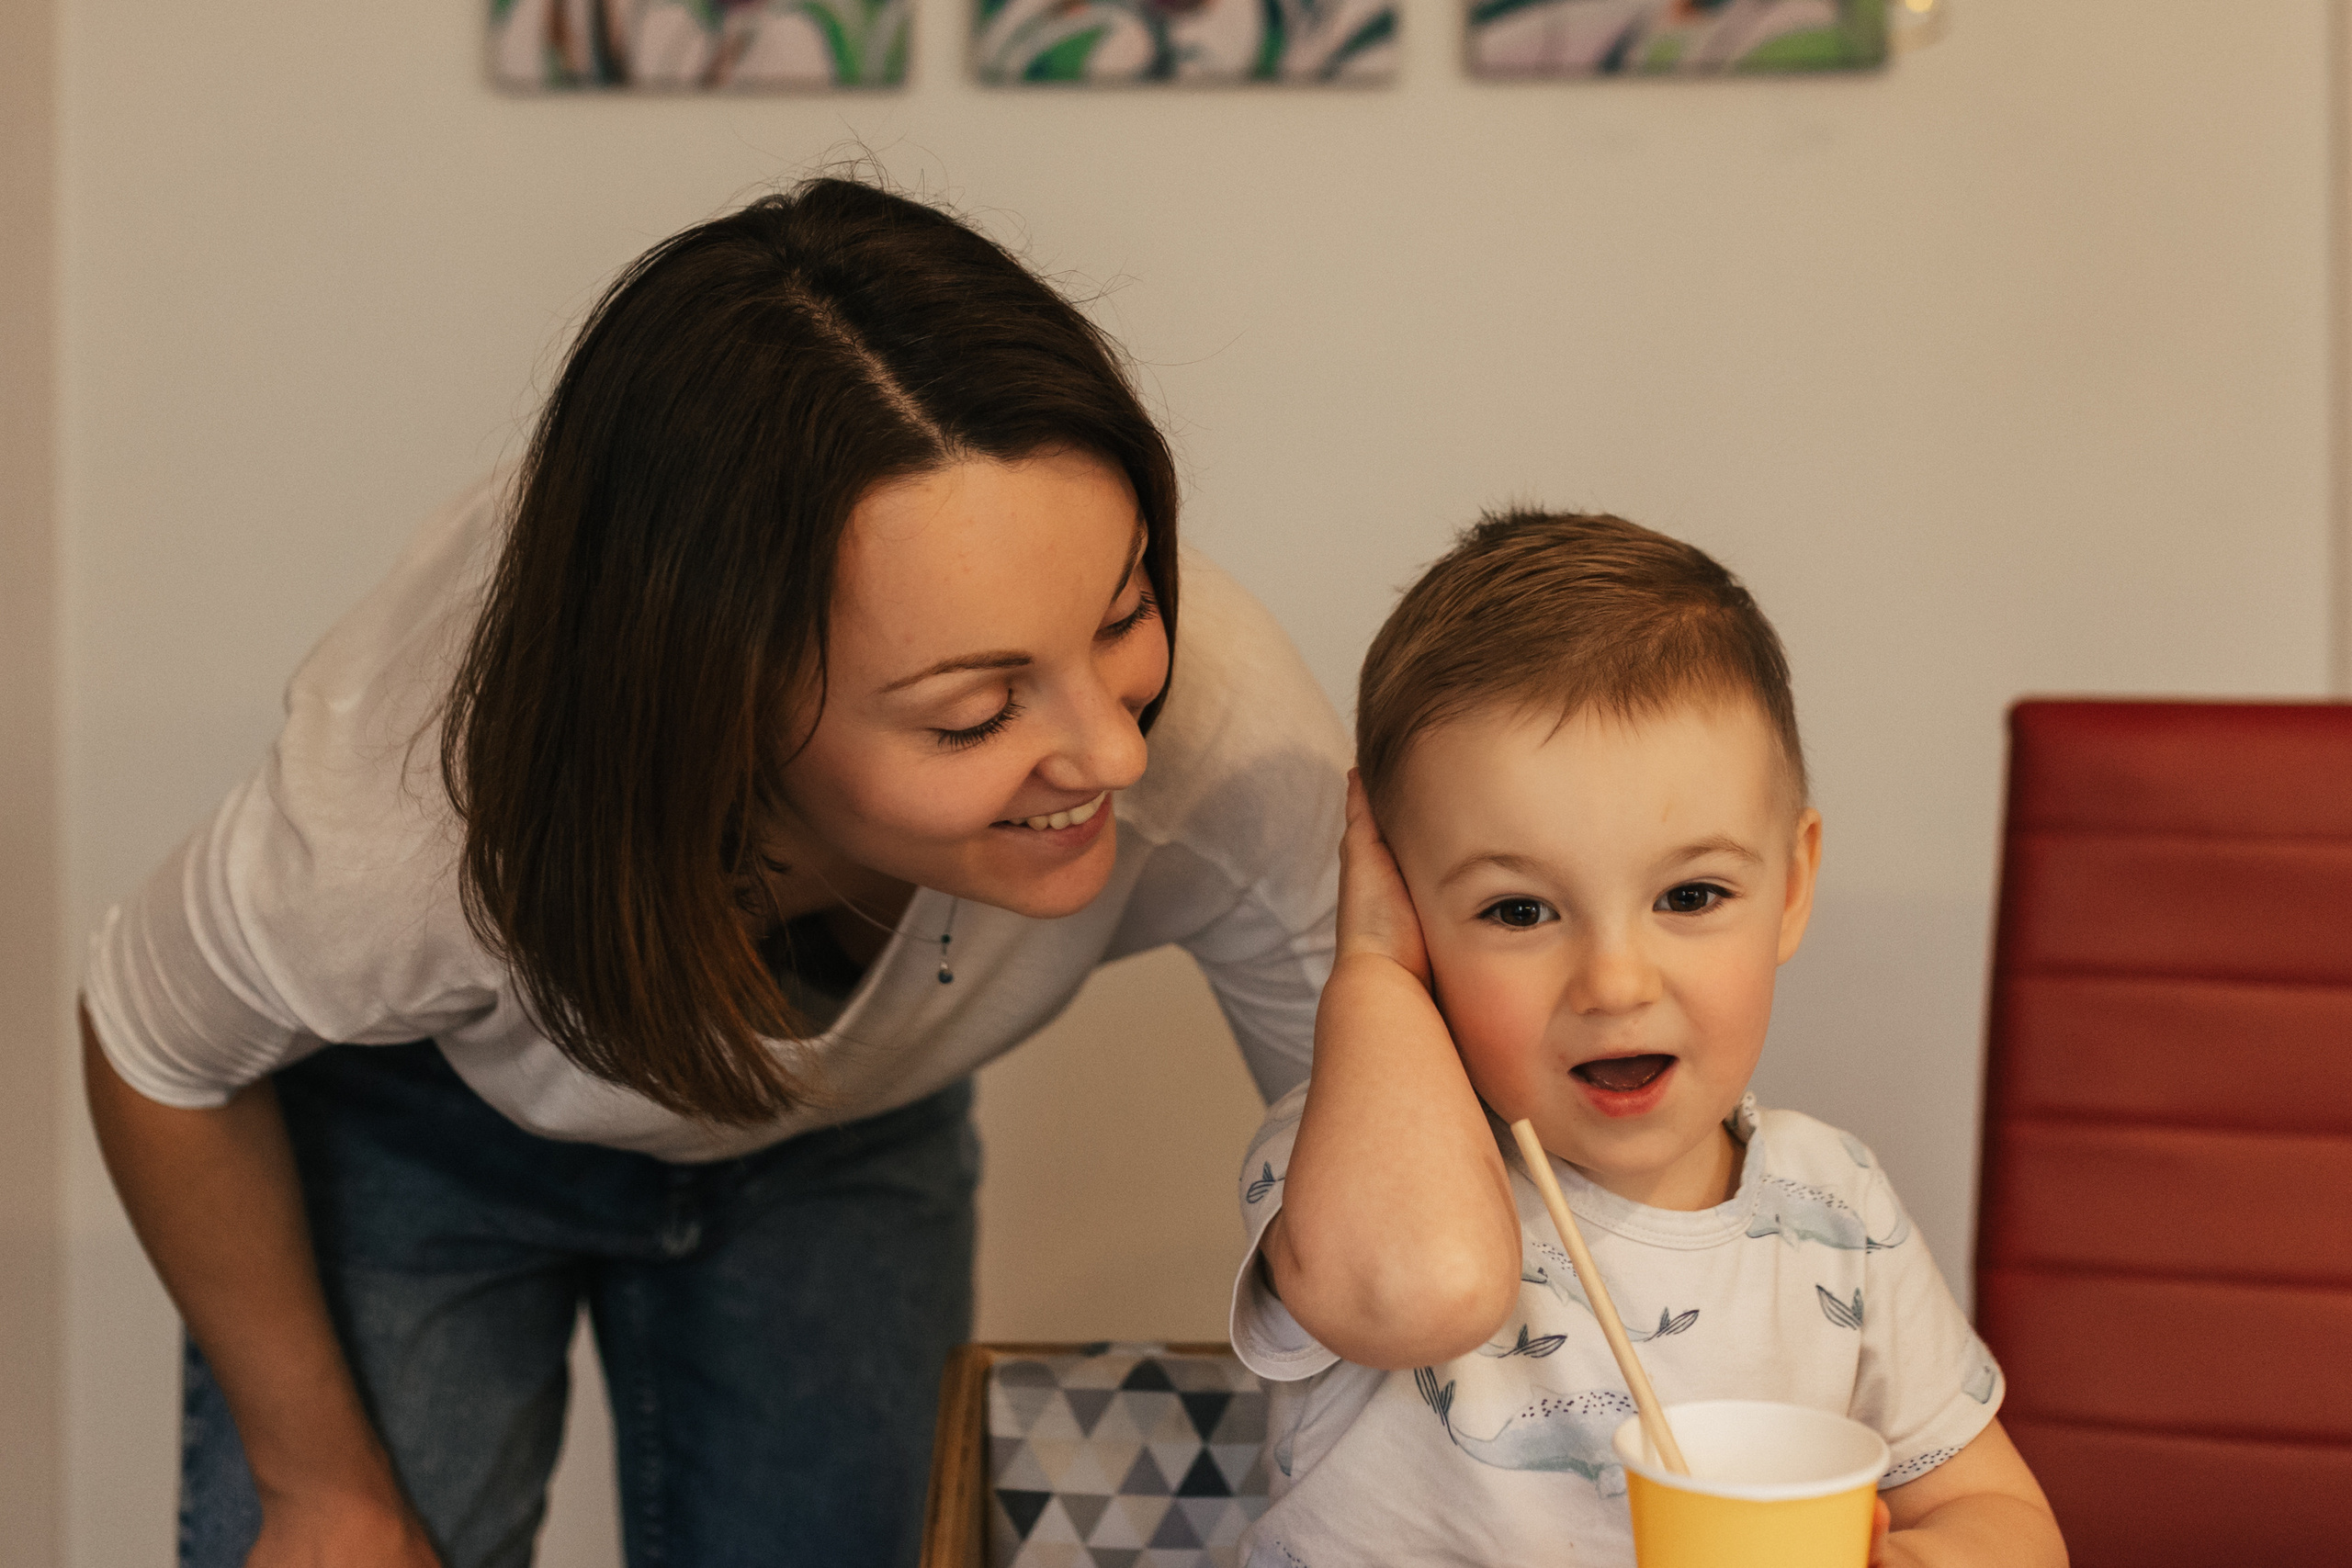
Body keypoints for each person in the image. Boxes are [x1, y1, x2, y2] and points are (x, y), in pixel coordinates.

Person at [80, 178, 1349, 1568]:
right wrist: (318, 1486)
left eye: (1124, 614)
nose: (1111, 748)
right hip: (415, 1126)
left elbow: (1397, 1176)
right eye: (974, 711)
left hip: (839, 1141)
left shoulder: (1224, 742)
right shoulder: (410, 823)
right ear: (722, 699)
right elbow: (151, 1043)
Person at [1227, 513, 2067, 1566]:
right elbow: (1419, 1290)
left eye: (1690, 894)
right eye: (1518, 912)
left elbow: (2003, 1516)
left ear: (1793, 886)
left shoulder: (1833, 1204)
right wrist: (1371, 979)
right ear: (1400, 905)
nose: (1615, 983)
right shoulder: (1349, 1148)